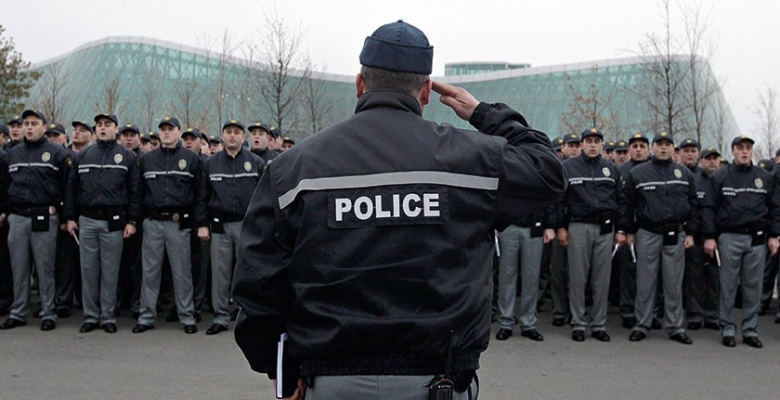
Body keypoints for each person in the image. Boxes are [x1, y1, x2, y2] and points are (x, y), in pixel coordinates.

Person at [232, 20, 566, 400]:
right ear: (425, 91)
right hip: (437, 380)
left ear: (360, 84)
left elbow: (258, 282)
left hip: (331, 380)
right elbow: (547, 170)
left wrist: (279, 366)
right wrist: (483, 113)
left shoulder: (295, 168)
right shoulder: (471, 160)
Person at [64, 113, 141, 333]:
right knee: (88, 271)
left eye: (107, 124)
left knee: (110, 271)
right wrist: (70, 217)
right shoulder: (83, 156)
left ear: (116, 129)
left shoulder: (127, 157)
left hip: (114, 221)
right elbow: (71, 188)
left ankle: (108, 316)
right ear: (95, 130)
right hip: (87, 220)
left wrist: (132, 221)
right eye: (99, 125)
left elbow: (135, 191)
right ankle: (90, 316)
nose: (103, 128)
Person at [702, 135, 780, 348]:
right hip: (729, 236)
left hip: (756, 238)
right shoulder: (721, 177)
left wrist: (774, 235)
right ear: (733, 151)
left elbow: (775, 208)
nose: (744, 152)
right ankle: (727, 328)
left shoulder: (764, 177)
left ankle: (750, 330)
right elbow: (709, 208)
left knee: (753, 286)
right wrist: (710, 237)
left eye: (748, 148)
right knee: (727, 285)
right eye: (740, 148)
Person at [133, 116, 207, 335]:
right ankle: (146, 317)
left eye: (170, 129)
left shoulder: (191, 159)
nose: (166, 132)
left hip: (178, 223)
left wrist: (200, 223)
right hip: (153, 222)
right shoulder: (147, 160)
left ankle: (187, 316)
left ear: (179, 132)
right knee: (150, 273)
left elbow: (200, 194)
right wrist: (134, 220)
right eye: (163, 129)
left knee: (182, 272)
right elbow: (138, 193)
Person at [0, 110, 72, 331]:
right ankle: (18, 312)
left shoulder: (57, 153)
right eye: (26, 123)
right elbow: (4, 185)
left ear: (44, 126)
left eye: (34, 123)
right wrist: (5, 211)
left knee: (44, 268)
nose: (29, 127)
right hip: (18, 217)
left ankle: (47, 312)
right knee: (19, 268)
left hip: (44, 216)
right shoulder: (13, 154)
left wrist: (66, 216)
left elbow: (67, 187)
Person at [623, 132, 696, 345]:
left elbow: (694, 205)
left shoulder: (684, 173)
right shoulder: (638, 173)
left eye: (667, 144)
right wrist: (628, 231)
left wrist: (691, 232)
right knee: (645, 282)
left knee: (674, 283)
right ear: (652, 148)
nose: (663, 148)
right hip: (648, 233)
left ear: (673, 149)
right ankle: (642, 324)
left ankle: (675, 327)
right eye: (659, 144)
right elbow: (628, 205)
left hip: (676, 234)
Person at [556, 128, 626, 342]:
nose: (593, 145)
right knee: (578, 278)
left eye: (597, 141)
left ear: (602, 145)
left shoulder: (611, 169)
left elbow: (620, 200)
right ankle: (578, 323)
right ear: (582, 144)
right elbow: (559, 200)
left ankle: (598, 324)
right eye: (589, 141)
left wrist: (620, 229)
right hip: (579, 226)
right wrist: (560, 227)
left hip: (605, 228)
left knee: (601, 280)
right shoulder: (569, 167)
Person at [200, 119, 263, 335]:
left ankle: (249, 316)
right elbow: (202, 196)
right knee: (220, 274)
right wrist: (202, 224)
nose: (232, 135)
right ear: (222, 136)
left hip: (247, 226)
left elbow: (264, 197)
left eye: (237, 132)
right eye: (228, 132)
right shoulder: (210, 163)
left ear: (243, 137)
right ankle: (220, 317)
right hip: (220, 226)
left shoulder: (255, 162)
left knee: (249, 273)